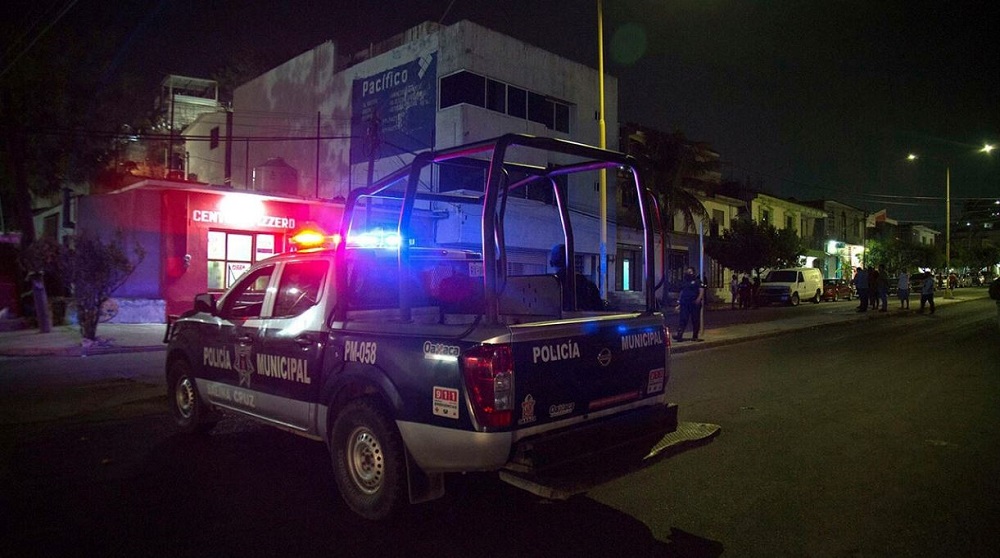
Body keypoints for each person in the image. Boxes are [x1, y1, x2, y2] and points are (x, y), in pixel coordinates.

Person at [549, 244, 604, 311]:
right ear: (573, 261)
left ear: (551, 263)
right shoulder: (588, 285)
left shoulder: (549, 285)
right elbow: (599, 309)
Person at [674, 266, 706, 342]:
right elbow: (682, 292)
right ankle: (679, 335)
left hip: (694, 303)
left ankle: (695, 336)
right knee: (683, 319)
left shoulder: (697, 281)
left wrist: (698, 299)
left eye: (690, 272)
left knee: (695, 320)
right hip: (685, 303)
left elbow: (701, 290)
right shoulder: (685, 282)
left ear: (693, 273)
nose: (689, 273)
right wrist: (679, 304)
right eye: (687, 272)